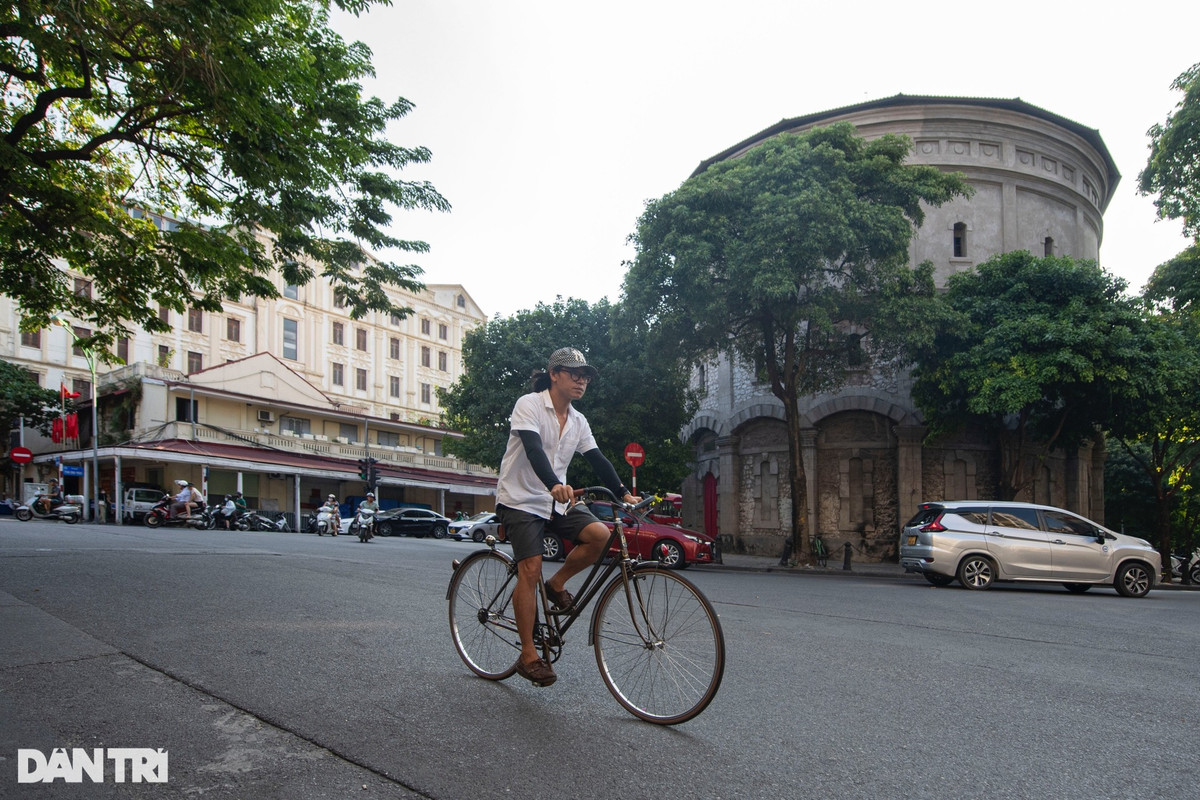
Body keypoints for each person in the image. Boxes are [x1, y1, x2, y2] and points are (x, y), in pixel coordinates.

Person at [494, 347, 638, 687]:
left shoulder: (578, 421)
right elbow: (533, 450)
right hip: (521, 499)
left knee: (600, 536)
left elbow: (597, 459)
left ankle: (556, 584)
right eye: (575, 374)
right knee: (530, 569)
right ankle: (528, 655)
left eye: (585, 376)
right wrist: (554, 484)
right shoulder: (529, 405)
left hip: (557, 501)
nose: (581, 381)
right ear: (554, 374)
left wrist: (624, 493)